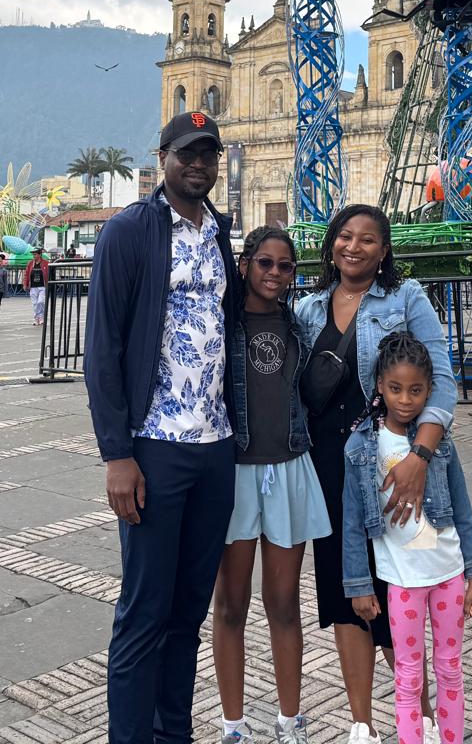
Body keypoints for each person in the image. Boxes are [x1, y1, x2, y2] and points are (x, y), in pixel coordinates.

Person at [85, 110, 243, 744]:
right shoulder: (129, 233)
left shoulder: (219, 233)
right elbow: (102, 347)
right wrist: (117, 454)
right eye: (188, 154)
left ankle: (173, 734)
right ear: (163, 159)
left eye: (209, 154)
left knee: (187, 614)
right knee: (145, 612)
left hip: (215, 448)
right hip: (156, 448)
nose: (199, 164)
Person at [296, 204, 455, 744]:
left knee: (399, 590)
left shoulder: (406, 299)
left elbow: (444, 382)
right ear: (331, 244)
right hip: (325, 467)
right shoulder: (308, 308)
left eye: (368, 239)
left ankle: (424, 715)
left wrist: (421, 458)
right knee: (347, 592)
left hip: (391, 467)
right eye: (345, 236)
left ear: (384, 251)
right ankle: (361, 723)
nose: (354, 247)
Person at [212, 227, 329, 744]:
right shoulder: (223, 322)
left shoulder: (299, 326)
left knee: (283, 604)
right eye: (264, 263)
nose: (275, 274)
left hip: (287, 468)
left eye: (285, 267)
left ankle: (290, 719)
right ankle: (233, 725)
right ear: (244, 265)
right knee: (231, 605)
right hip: (234, 469)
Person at [343, 335, 472, 744]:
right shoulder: (360, 447)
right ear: (379, 388)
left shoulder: (439, 444)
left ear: (429, 390)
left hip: (448, 575)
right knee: (408, 674)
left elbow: (463, 509)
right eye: (395, 389)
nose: (406, 400)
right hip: (401, 582)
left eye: (417, 390)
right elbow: (353, 524)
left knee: (450, 667)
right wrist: (359, 586)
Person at [23, 251, 50, 326]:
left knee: (40, 302)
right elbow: (26, 274)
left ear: (39, 255)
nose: (34, 256)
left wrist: (49, 284)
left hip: (42, 286)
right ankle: (36, 318)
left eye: (35, 254)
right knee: (35, 303)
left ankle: (41, 317)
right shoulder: (30, 263)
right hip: (33, 286)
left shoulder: (46, 263)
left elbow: (49, 273)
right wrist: (25, 284)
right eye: (33, 254)